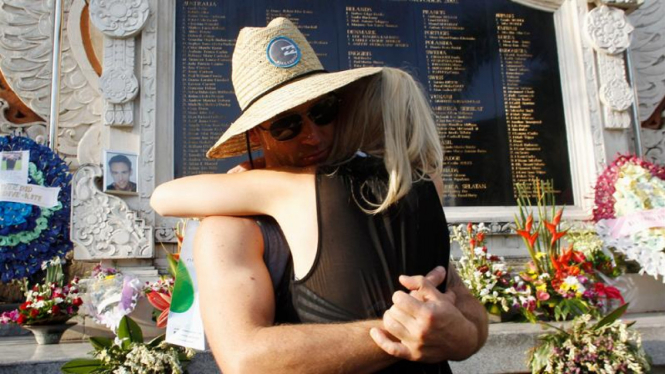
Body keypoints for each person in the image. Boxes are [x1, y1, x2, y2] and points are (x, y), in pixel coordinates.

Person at [152, 18, 487, 373]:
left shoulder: (388, 197)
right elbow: (245, 358)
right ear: (257, 136)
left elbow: (464, 308)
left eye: (322, 112)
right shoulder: (233, 226)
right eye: (286, 125)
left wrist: (461, 335)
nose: (312, 135)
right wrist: (402, 333)